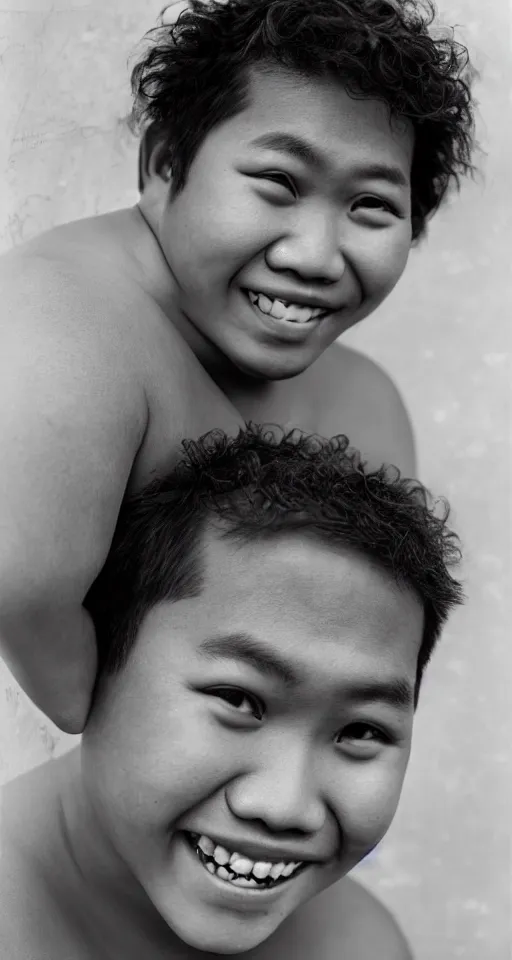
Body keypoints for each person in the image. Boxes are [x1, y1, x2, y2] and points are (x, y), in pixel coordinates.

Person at [0, 0, 474, 733]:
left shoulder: (365, 404)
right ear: (164, 164)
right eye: (279, 183)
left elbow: (376, 651)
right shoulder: (59, 324)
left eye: (372, 205)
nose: (314, 257)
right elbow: (25, 597)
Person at [0, 425, 463, 960]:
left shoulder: (358, 945)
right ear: (98, 659)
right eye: (238, 700)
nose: (285, 806)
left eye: (362, 730)